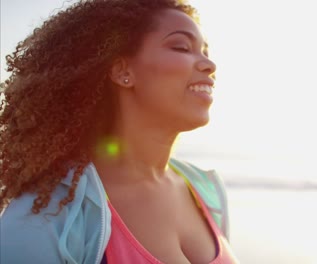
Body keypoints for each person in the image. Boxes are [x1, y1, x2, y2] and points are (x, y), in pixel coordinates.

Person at [0, 0, 239, 263]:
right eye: (182, 47)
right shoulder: (46, 215)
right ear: (123, 71)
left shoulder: (206, 191)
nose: (209, 64)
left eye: (205, 50)